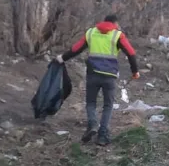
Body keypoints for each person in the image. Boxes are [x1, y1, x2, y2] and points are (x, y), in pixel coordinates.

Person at [55, 14, 139, 146]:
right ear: (115, 23)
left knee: (91, 103)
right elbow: (131, 53)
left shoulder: (91, 32)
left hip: (93, 74)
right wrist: (135, 71)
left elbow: (76, 49)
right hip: (109, 76)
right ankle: (102, 135)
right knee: (108, 105)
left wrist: (62, 58)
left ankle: (93, 124)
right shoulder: (118, 35)